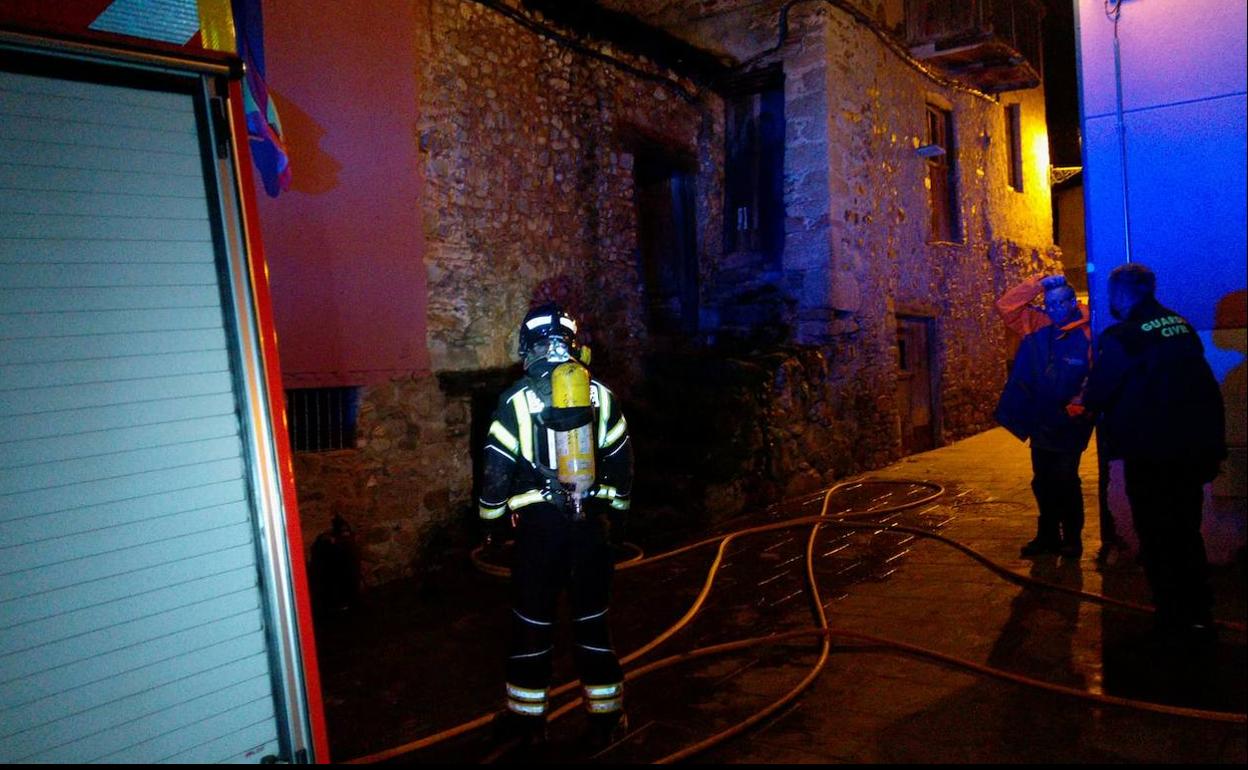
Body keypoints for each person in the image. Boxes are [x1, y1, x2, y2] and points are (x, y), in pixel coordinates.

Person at [478, 302, 633, 752]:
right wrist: (617, 522)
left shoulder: (516, 400)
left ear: (528, 345)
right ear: (572, 342)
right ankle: (607, 719)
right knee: (593, 623)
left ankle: (528, 725)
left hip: (539, 534)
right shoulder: (603, 396)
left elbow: (495, 475)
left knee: (532, 624)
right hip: (592, 533)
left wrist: (493, 528)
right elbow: (622, 467)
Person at [1081, 263, 1226, 641]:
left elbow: (1098, 393)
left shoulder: (1124, 336)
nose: (1110, 300)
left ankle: (1172, 618)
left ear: (1124, 293)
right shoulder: (1179, 326)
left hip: (1151, 453)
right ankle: (1199, 612)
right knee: (1186, 532)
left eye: (1112, 293)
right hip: (1190, 452)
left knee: (1158, 536)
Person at [993, 273, 1094, 558]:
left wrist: (1081, 403)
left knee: (1065, 479)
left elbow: (1096, 372)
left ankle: (1072, 539)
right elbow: (1006, 307)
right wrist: (1037, 283)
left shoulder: (1089, 331)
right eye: (1049, 304)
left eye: (1060, 303)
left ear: (1073, 302)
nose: (1054, 309)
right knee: (1042, 480)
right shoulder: (1038, 325)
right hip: (1040, 420)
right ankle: (1048, 536)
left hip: (1070, 423)